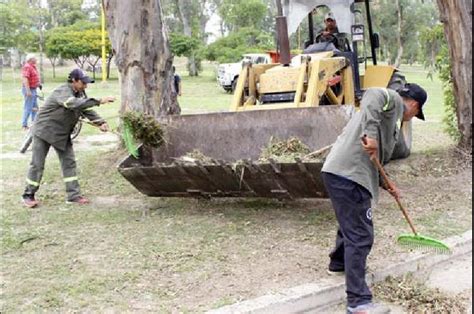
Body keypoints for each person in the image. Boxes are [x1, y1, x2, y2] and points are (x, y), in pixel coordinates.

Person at [321, 83, 428, 313]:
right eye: (414, 114)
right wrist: (369, 134)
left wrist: (388, 184)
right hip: (350, 174)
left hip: (338, 172)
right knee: (361, 236)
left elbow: (377, 160)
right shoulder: (393, 101)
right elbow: (373, 94)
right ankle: (358, 302)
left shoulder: (391, 127)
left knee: (350, 225)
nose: (410, 118)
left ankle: (338, 264)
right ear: (414, 105)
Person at [22, 69, 116, 208]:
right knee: (37, 164)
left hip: (62, 133)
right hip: (44, 131)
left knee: (69, 163)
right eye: (83, 82)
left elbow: (85, 109)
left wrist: (100, 122)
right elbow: (72, 103)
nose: (85, 85)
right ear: (74, 81)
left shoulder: (80, 93)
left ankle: (73, 196)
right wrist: (99, 101)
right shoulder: (63, 91)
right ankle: (28, 195)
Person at [21, 53, 41, 130]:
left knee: (35, 107)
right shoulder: (27, 67)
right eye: (35, 58)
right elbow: (25, 79)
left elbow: (34, 77)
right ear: (31, 59)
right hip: (29, 89)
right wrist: (28, 90)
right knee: (28, 107)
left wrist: (38, 84)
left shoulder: (33, 67)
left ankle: (34, 123)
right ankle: (24, 125)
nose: (36, 59)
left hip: (33, 89)